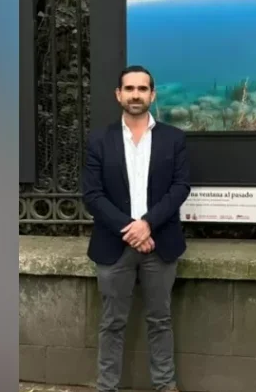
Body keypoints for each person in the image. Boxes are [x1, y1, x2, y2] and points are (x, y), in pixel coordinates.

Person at [82, 65, 190, 392]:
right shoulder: (100, 140)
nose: (135, 95)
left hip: (161, 243)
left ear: (152, 95)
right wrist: (130, 229)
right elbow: (92, 194)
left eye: (142, 89)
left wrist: (148, 225)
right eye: (129, 89)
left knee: (160, 321)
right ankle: (107, 387)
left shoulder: (174, 139)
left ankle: (165, 386)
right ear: (118, 95)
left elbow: (180, 187)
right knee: (112, 323)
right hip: (114, 246)